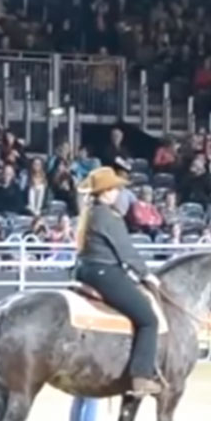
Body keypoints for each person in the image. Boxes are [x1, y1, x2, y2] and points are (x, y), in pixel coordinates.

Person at [72, 166, 162, 397]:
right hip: (104, 272)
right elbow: (126, 251)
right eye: (115, 188)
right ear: (107, 192)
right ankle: (141, 377)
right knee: (149, 320)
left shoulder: (90, 212)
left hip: (85, 270)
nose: (118, 192)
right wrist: (145, 274)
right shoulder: (108, 216)